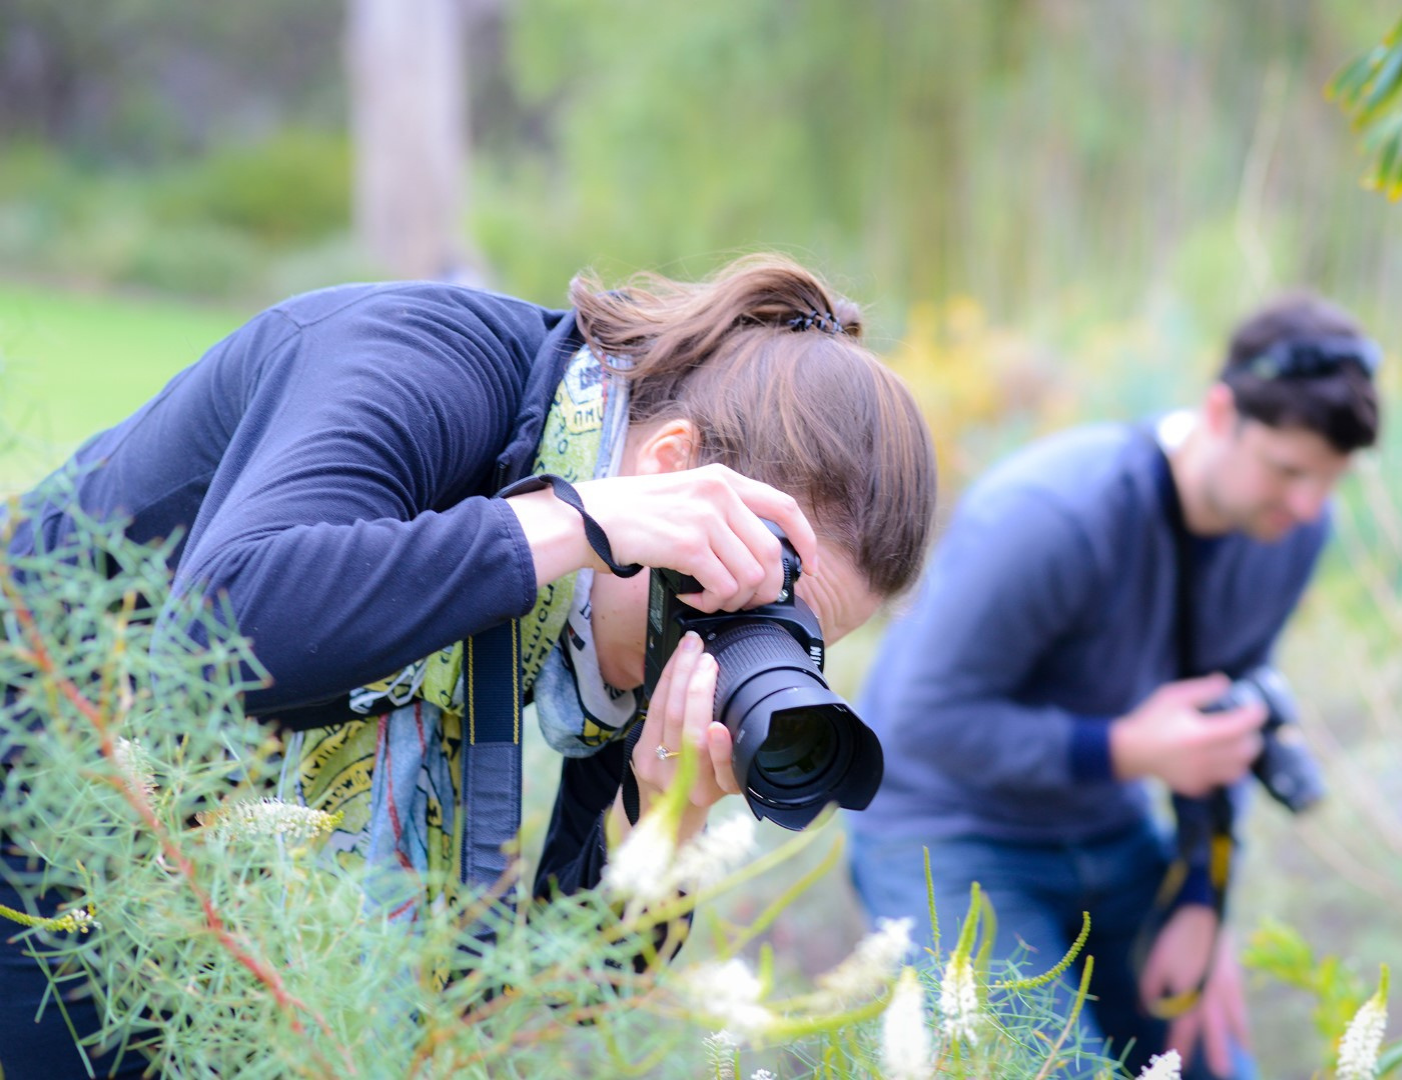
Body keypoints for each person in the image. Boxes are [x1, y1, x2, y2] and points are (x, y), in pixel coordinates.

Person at [0, 254, 937, 1077]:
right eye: (748, 602)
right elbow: (219, 630)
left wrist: (667, 821)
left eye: (788, 640)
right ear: (669, 470)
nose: (727, 652)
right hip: (45, 789)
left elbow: (539, 995)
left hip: (207, 866)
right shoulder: (421, 358)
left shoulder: (611, 623)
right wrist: (576, 522)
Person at [846, 292, 1381, 1079]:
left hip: (1105, 825)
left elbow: (1229, 719)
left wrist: (1202, 899)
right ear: (1222, 411)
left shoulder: (1291, 531)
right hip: (943, 826)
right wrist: (1126, 749)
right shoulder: (1058, 514)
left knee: (1211, 1065)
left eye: (1329, 481)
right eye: (1287, 470)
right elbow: (918, 723)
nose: (1306, 505)